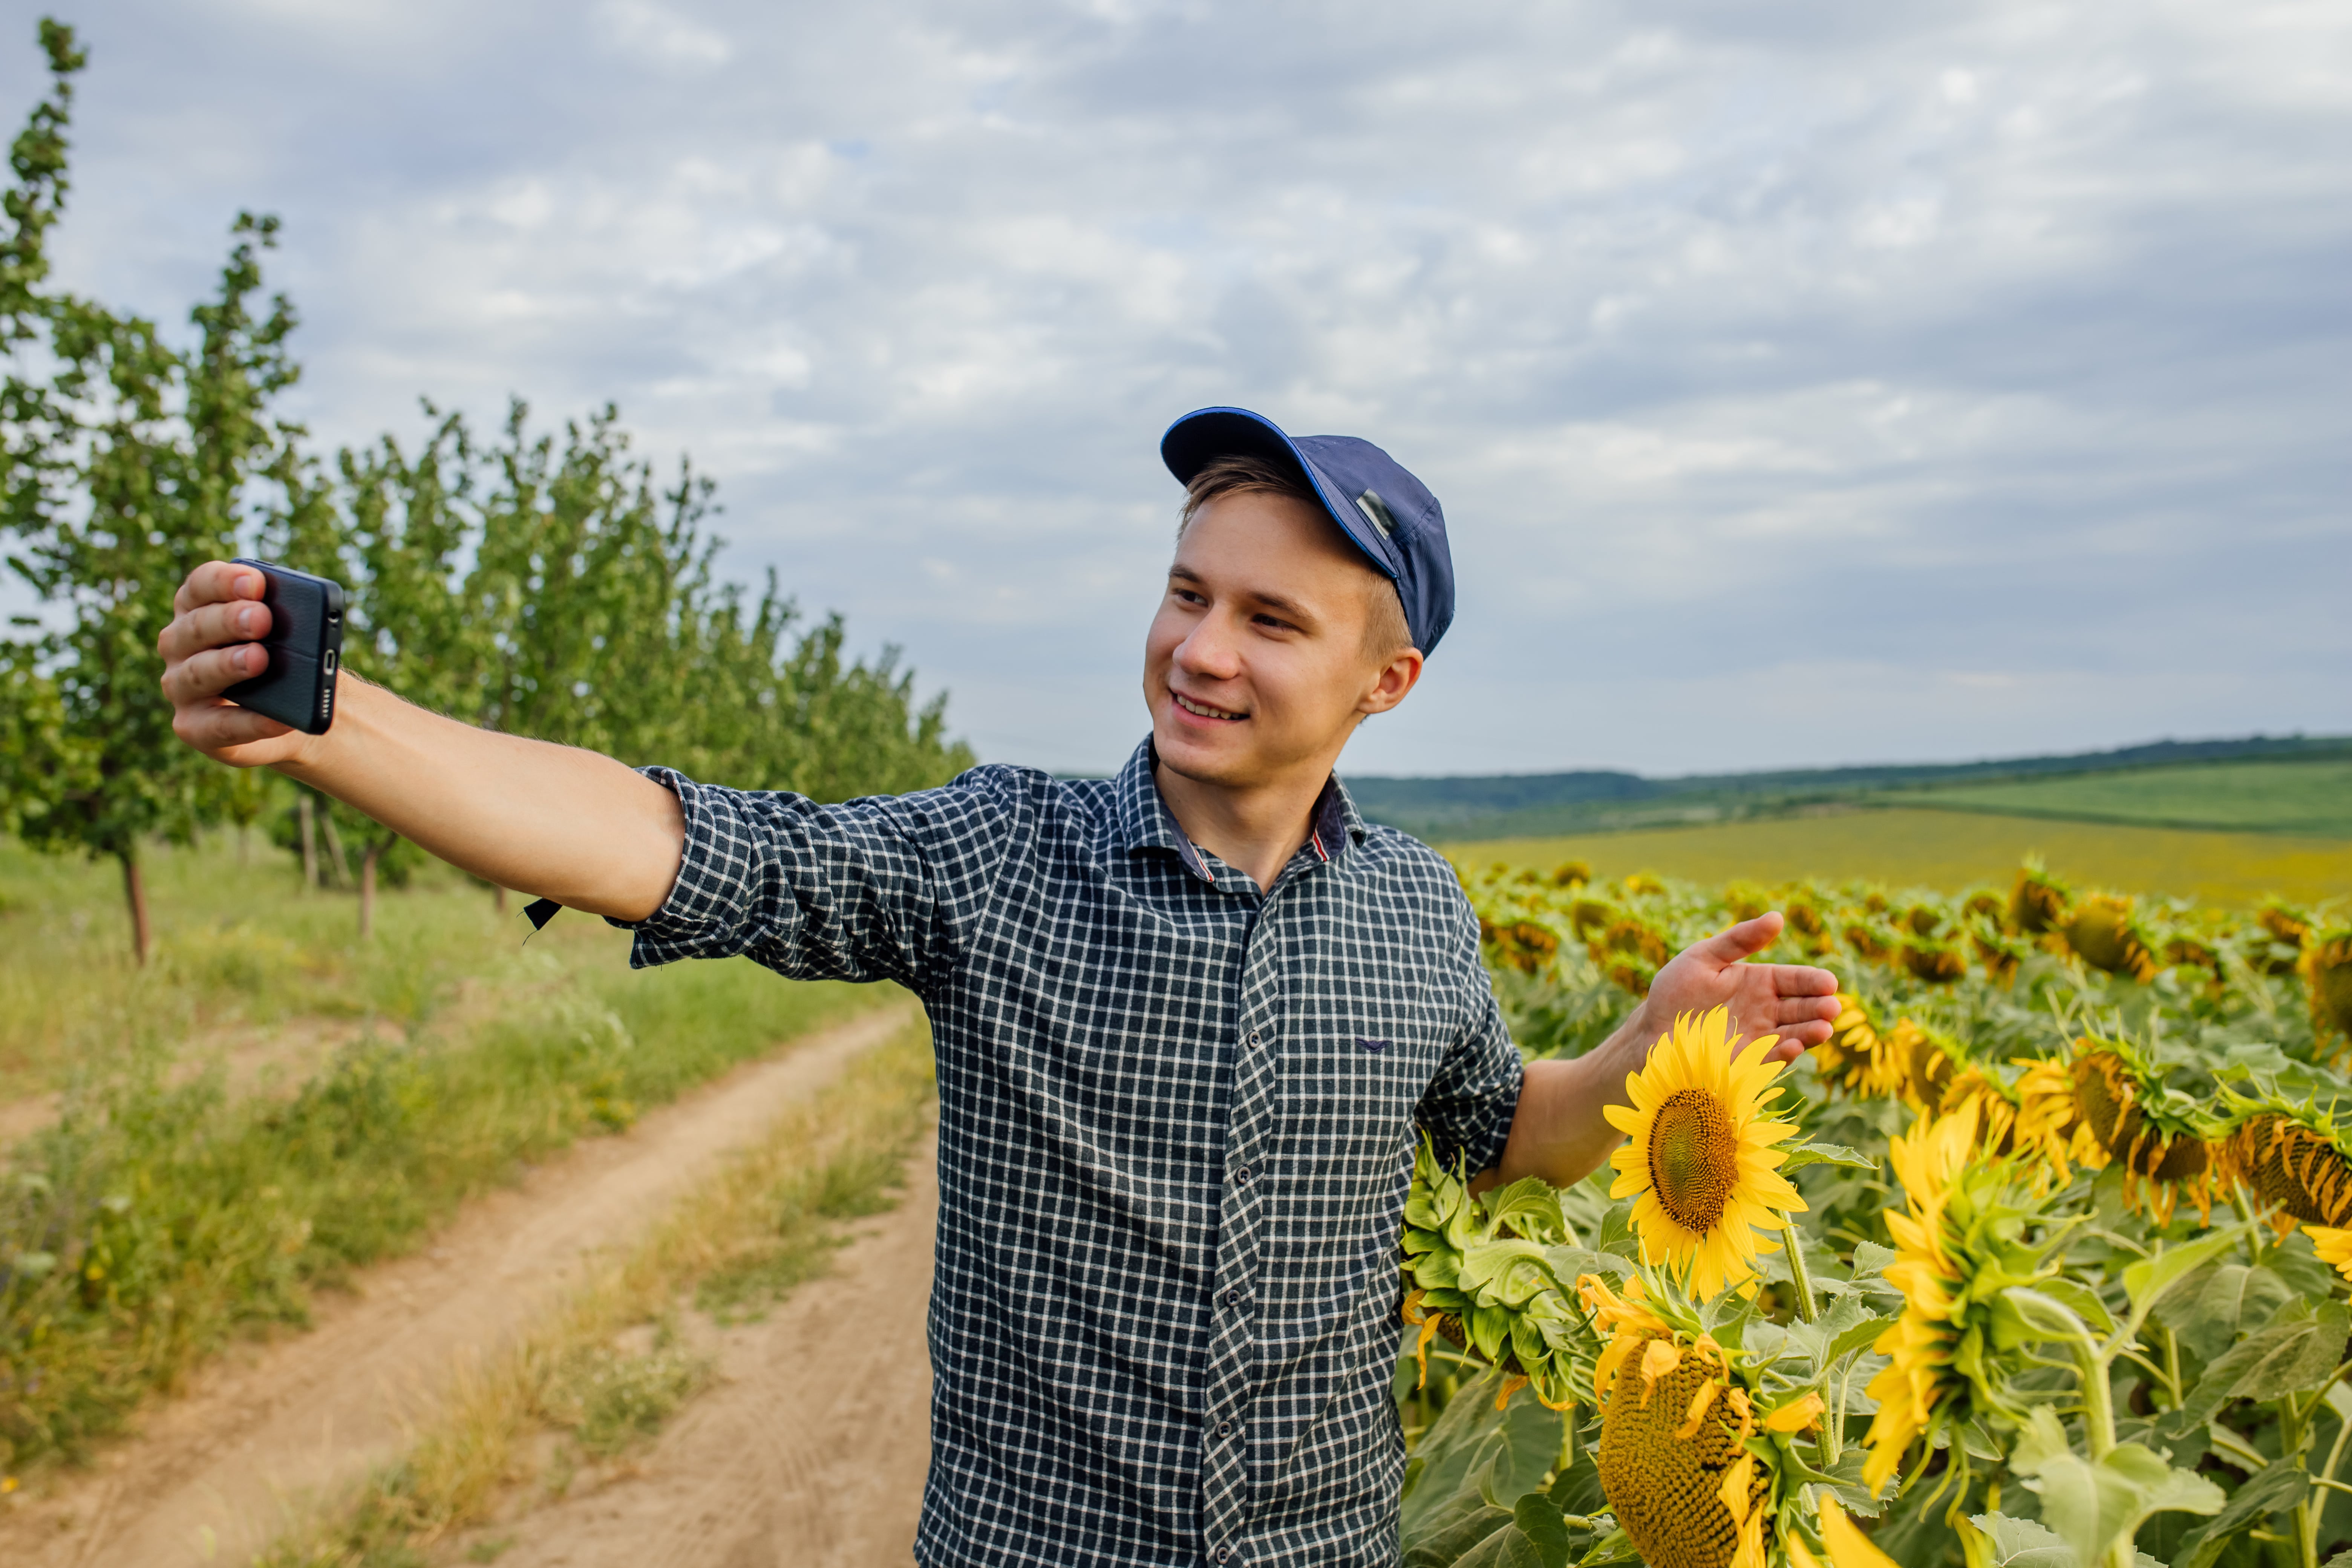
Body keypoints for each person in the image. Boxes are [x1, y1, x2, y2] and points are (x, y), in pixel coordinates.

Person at [159, 406, 1840, 1566]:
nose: (1202, 647)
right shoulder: (1000, 855)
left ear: (1386, 680)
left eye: (1271, 618)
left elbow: (1503, 1132)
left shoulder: (1412, 911)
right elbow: (665, 842)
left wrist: (1648, 1045)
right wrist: (336, 721)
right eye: (1189, 592)